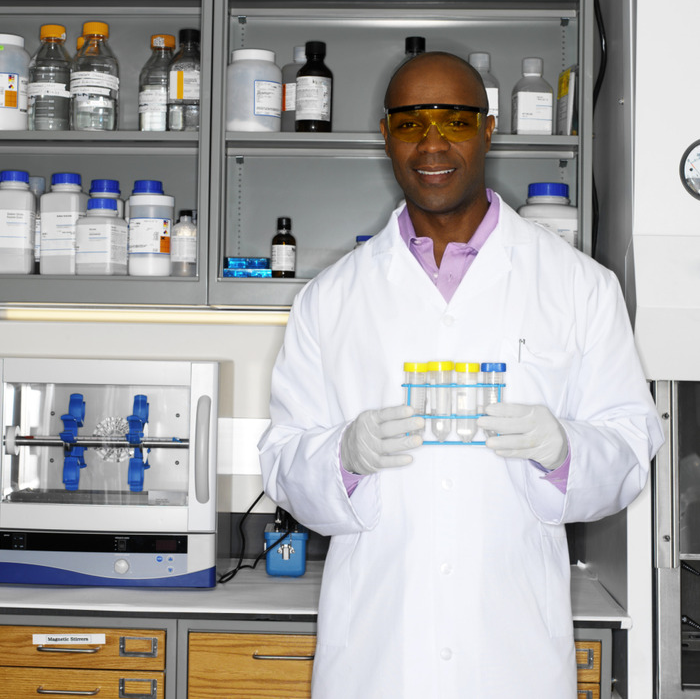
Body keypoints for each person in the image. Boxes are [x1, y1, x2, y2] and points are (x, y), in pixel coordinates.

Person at [258, 52, 663, 698]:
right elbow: (282, 462)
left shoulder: (580, 286)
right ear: (386, 137)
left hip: (513, 651)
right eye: (411, 123)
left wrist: (565, 449)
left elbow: (630, 449)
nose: (433, 143)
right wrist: (343, 456)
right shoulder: (330, 299)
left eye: (456, 120)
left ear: (490, 129)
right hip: (377, 652)